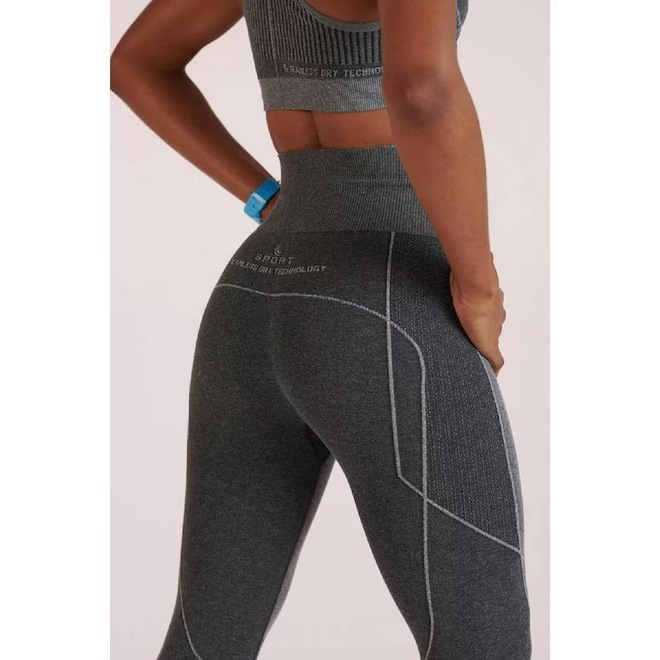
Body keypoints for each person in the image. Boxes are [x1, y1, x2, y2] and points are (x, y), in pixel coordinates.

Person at [110, 0, 531, 657]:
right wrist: (479, 285)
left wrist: (269, 199)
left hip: (251, 299)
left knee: (206, 642)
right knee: (483, 643)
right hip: (389, 302)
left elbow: (134, 63)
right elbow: (421, 88)